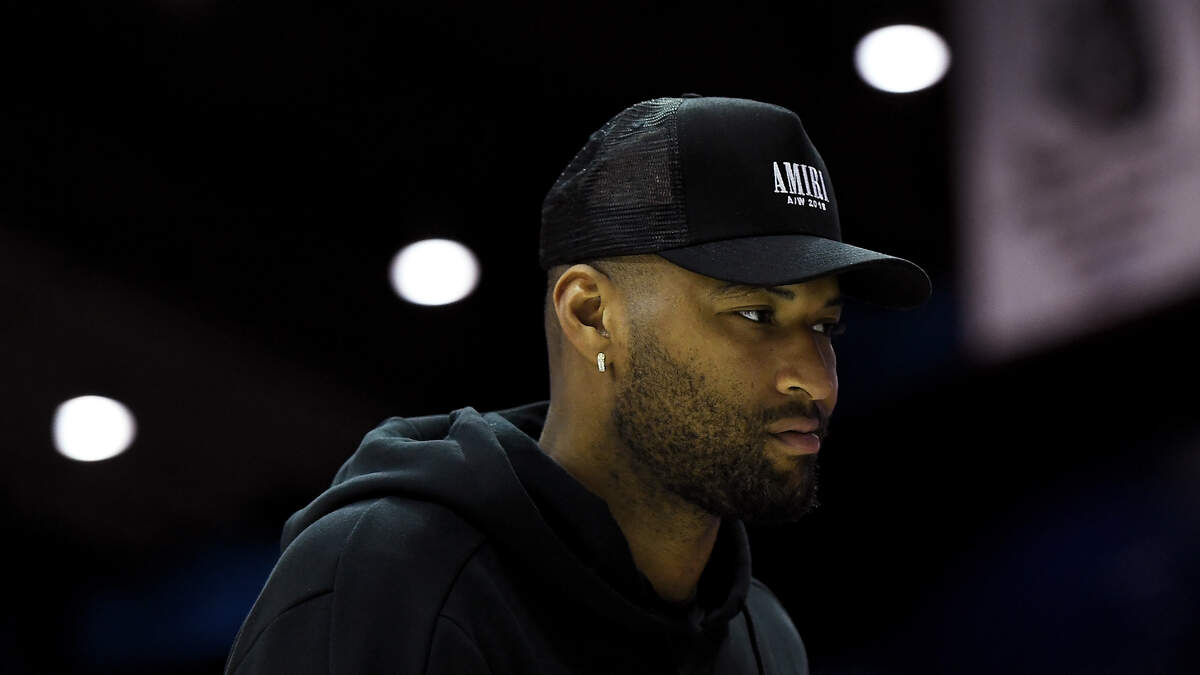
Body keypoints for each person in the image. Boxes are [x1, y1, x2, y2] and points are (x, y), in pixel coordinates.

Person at [223, 95, 931, 675]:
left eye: (825, 326)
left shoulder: (764, 641)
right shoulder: (389, 585)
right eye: (755, 314)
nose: (816, 381)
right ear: (592, 316)